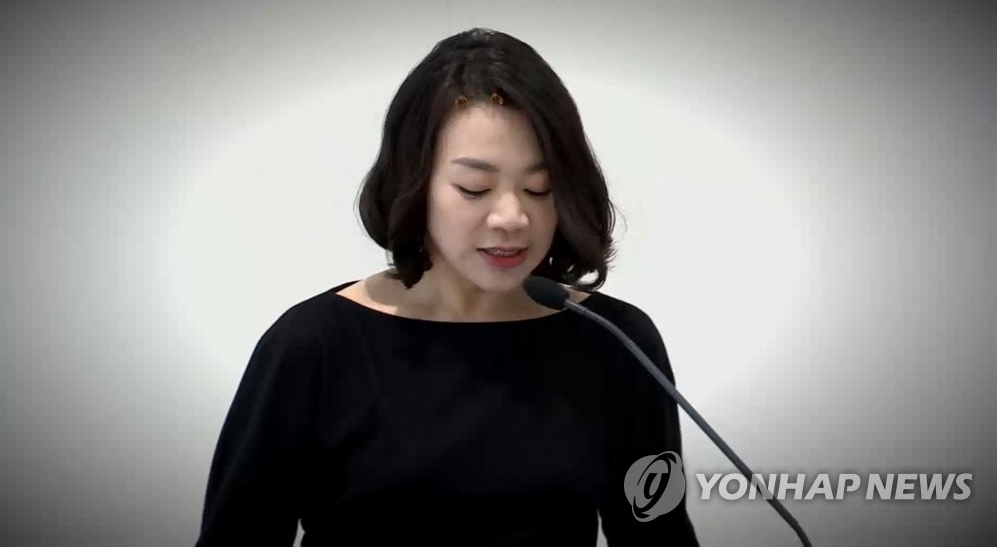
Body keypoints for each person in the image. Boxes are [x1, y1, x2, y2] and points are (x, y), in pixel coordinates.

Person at [196, 27, 699, 546]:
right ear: (413, 183)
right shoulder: (312, 345)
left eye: (539, 188)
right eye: (474, 188)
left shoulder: (616, 340)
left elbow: (658, 534)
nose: (512, 217)